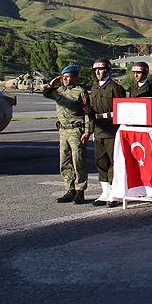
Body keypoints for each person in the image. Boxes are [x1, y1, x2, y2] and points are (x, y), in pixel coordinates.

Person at [43, 65, 93, 205]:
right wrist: (52, 83)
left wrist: (87, 131)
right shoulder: (59, 91)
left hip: (76, 130)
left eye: (68, 76)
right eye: (63, 76)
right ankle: (70, 189)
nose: (65, 79)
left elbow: (87, 113)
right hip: (63, 131)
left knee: (78, 161)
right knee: (64, 161)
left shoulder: (80, 92)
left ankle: (80, 191)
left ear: (75, 77)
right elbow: (46, 93)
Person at [88, 58, 126, 207]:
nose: (98, 72)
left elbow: (122, 109)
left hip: (112, 129)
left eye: (101, 69)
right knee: (101, 161)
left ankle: (115, 192)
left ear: (108, 71)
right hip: (98, 128)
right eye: (96, 70)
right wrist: (90, 130)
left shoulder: (115, 88)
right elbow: (91, 111)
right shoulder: (94, 88)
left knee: (113, 161)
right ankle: (105, 191)